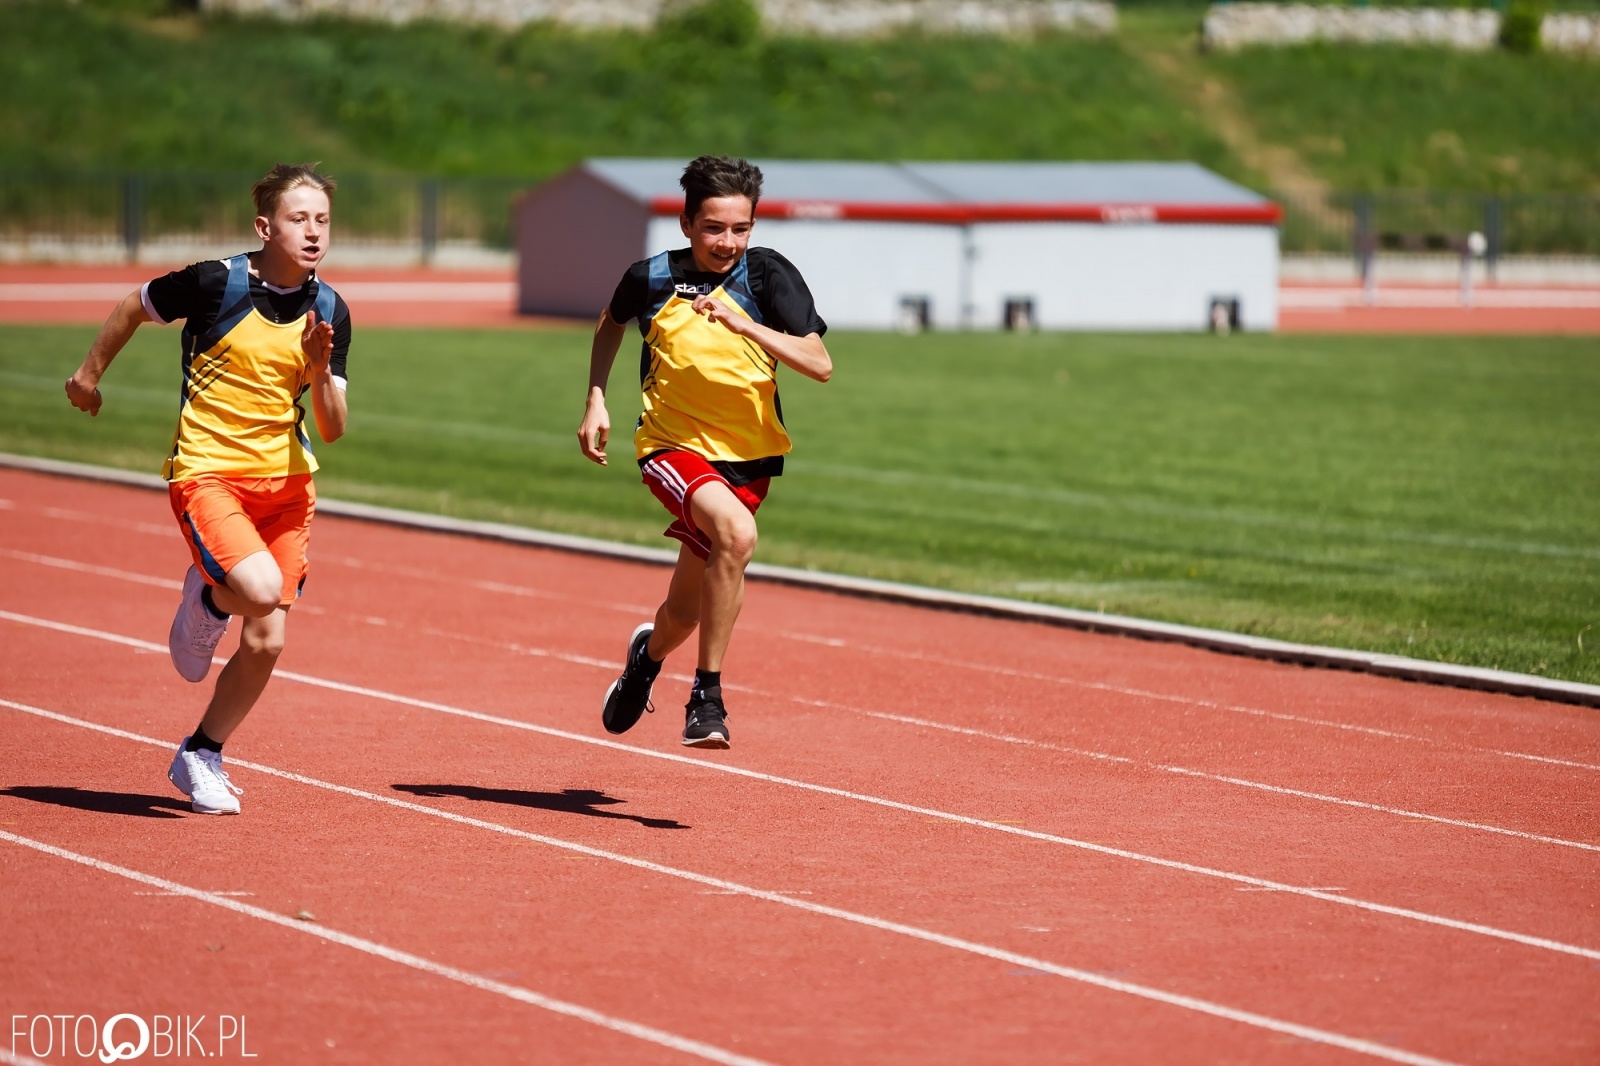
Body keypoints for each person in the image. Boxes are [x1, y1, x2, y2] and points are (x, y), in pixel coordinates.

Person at [64, 163, 351, 814]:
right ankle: (209, 598)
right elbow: (134, 306)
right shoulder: (213, 283)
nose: (312, 232)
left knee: (269, 640)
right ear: (264, 226)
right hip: (209, 472)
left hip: (289, 487)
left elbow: (332, 429)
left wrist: (318, 368)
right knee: (255, 592)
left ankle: (202, 751)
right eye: (298, 218)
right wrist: (88, 373)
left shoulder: (330, 311)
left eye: (323, 220)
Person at [578, 155, 832, 750]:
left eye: (740, 229)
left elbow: (819, 364)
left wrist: (746, 326)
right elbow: (610, 322)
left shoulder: (767, 278)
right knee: (738, 537)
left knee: (684, 615)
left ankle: (646, 658)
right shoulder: (652, 278)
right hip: (671, 446)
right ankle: (707, 696)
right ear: (688, 224)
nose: (727, 242)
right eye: (714, 228)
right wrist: (596, 398)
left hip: (749, 461)